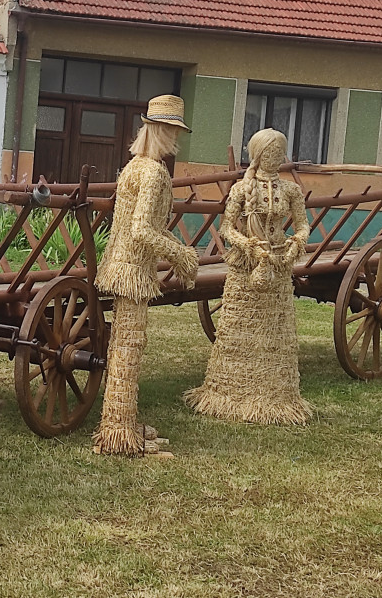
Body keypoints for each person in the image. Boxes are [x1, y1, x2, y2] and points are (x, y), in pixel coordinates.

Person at [184, 127, 313, 424]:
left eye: (279, 153)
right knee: (239, 327)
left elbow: (303, 225)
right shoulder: (241, 190)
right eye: (268, 153)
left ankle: (273, 396)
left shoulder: (291, 190)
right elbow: (227, 228)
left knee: (274, 329)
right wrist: (249, 245)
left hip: (279, 260)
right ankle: (230, 392)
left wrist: (296, 243)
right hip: (247, 263)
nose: (274, 158)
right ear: (257, 155)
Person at [93, 94, 199, 457]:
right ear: (162, 131)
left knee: (123, 346)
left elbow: (144, 226)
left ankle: (120, 427)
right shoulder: (153, 172)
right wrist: (181, 253)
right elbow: (141, 230)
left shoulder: (134, 165)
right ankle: (118, 436)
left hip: (121, 263)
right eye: (173, 131)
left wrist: (173, 247)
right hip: (133, 269)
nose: (177, 140)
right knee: (129, 348)